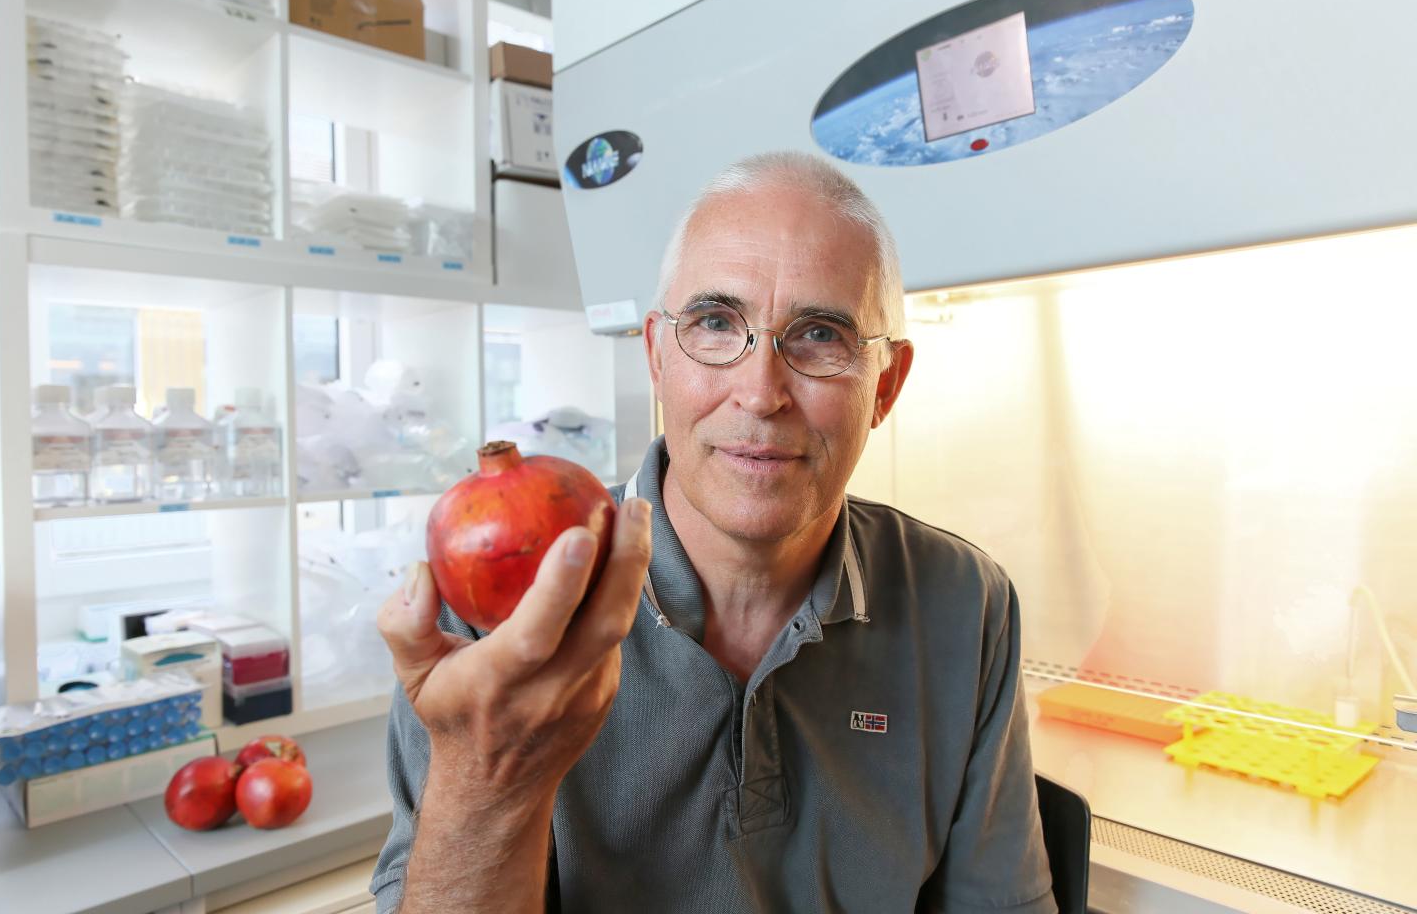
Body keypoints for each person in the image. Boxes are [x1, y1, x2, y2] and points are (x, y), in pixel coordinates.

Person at [372, 152, 1057, 914]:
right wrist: (485, 778)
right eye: (714, 322)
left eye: (820, 334)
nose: (761, 393)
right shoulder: (503, 607)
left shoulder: (965, 601)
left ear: (886, 387)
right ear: (657, 356)